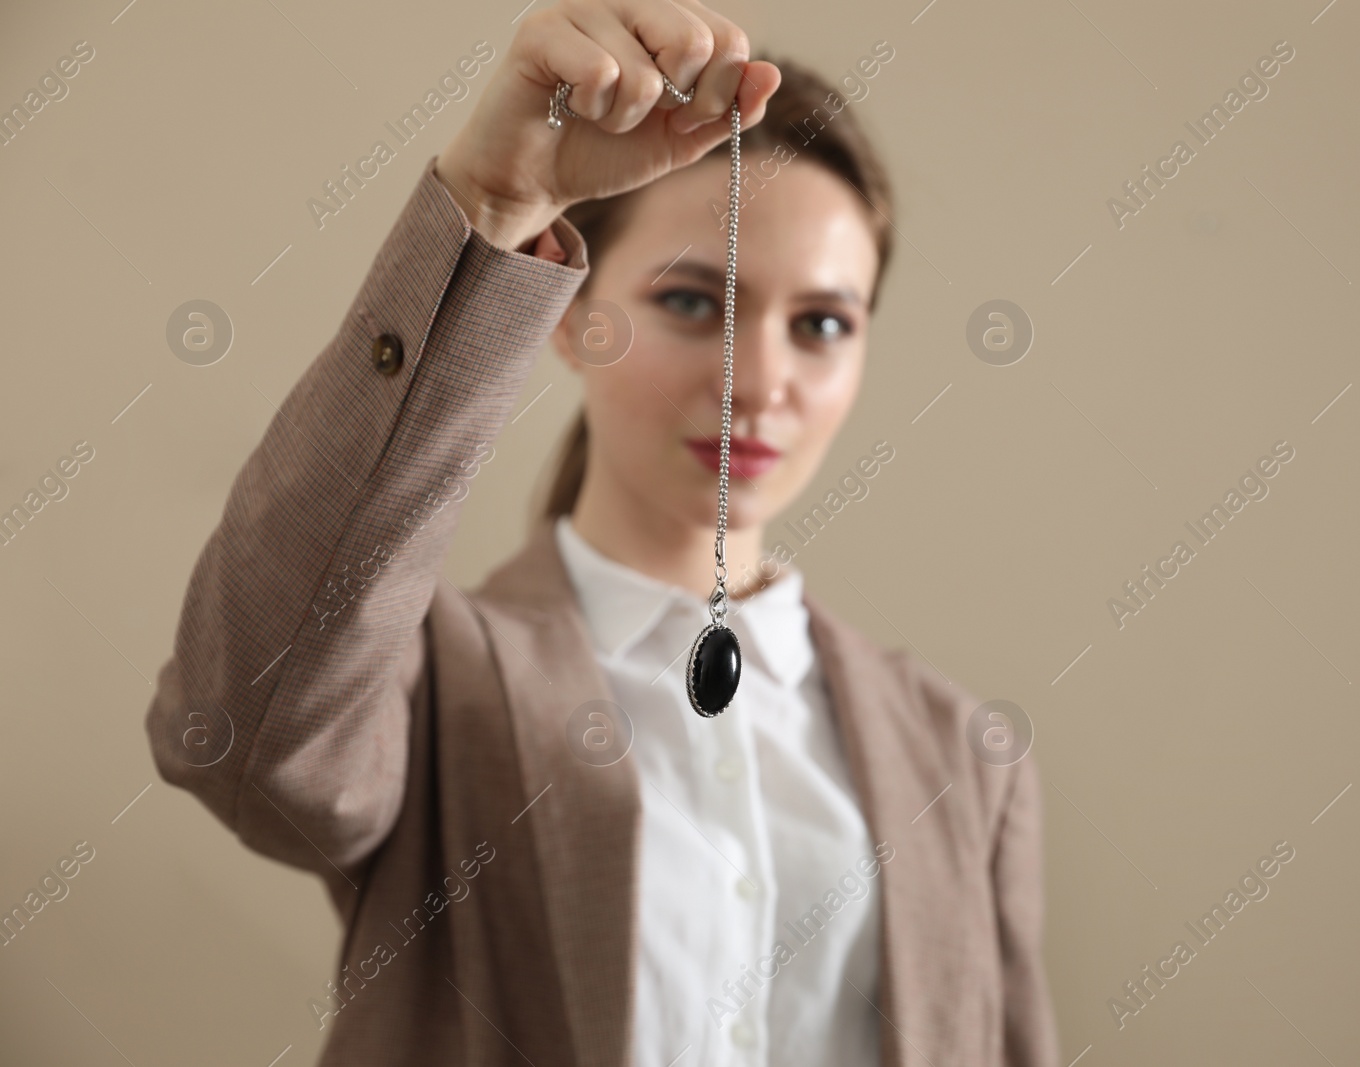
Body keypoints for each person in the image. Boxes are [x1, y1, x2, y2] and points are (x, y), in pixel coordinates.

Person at [144, 1, 1058, 1063]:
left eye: (820, 323)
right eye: (690, 302)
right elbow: (230, 731)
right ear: (571, 317)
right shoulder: (428, 684)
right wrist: (490, 204)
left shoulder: (958, 754)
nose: (756, 382)